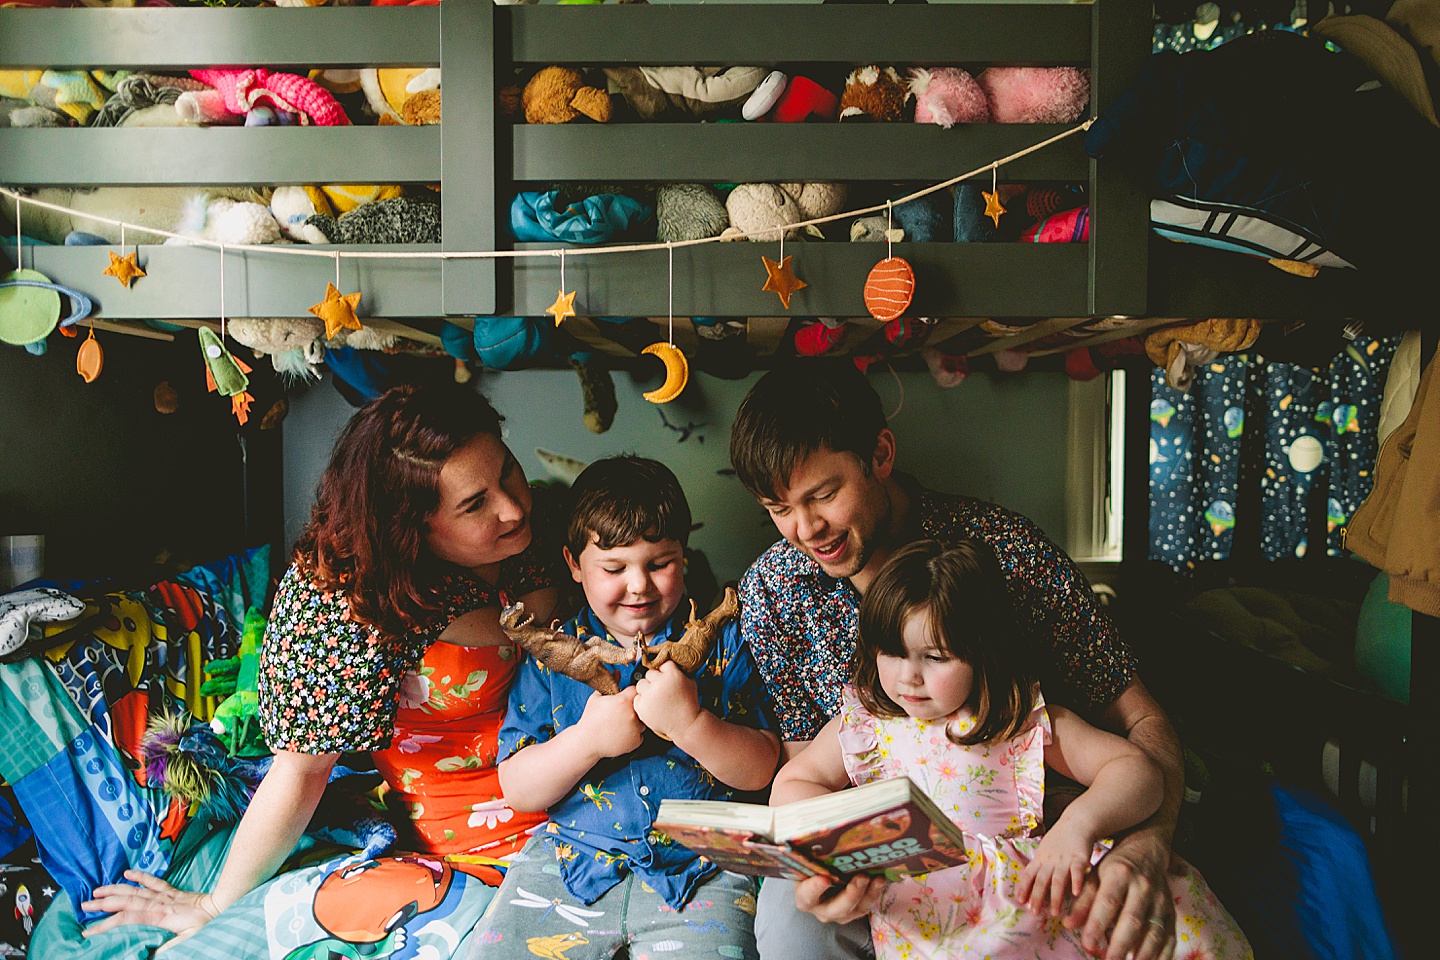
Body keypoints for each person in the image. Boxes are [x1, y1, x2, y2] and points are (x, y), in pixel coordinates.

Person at [731, 362, 1186, 960]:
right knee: (793, 929)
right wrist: (825, 868)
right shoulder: (773, 590)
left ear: (881, 454)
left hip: (1021, 837)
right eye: (778, 507)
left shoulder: (1004, 552)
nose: (806, 528)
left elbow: (1140, 723)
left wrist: (1147, 842)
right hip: (881, 856)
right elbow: (804, 771)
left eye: (823, 495)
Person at [81, 383, 564, 944]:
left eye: (506, 471)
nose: (512, 505)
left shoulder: (543, 525)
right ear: (410, 528)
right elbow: (302, 768)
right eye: (474, 504)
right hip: (475, 840)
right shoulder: (344, 599)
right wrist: (214, 905)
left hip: (590, 792)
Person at [771, 539, 1252, 960]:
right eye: (891, 652)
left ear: (984, 650)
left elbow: (1138, 770)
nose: (906, 677)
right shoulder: (866, 724)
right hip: (930, 925)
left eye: (935, 657)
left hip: (1031, 905)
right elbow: (791, 784)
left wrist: (1079, 827)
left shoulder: (1018, 718)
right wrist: (844, 837)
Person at [481, 456, 780, 960]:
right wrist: (587, 740)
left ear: (683, 556)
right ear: (574, 565)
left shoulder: (722, 640)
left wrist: (691, 724)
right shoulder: (552, 651)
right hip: (571, 859)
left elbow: (761, 768)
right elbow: (518, 788)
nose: (639, 585)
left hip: (702, 864)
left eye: (660, 563)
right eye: (614, 568)